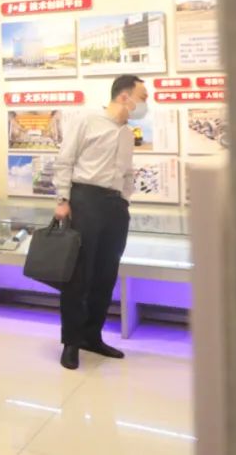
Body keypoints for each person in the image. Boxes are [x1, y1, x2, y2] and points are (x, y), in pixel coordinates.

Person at [53, 75, 147, 370]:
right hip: (85, 200)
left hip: (115, 206)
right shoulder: (87, 120)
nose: (145, 104)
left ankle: (92, 336)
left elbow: (127, 173)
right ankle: (71, 342)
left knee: (106, 274)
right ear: (124, 97)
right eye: (142, 97)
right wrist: (63, 199)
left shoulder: (127, 134)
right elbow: (65, 160)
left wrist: (125, 201)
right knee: (79, 276)